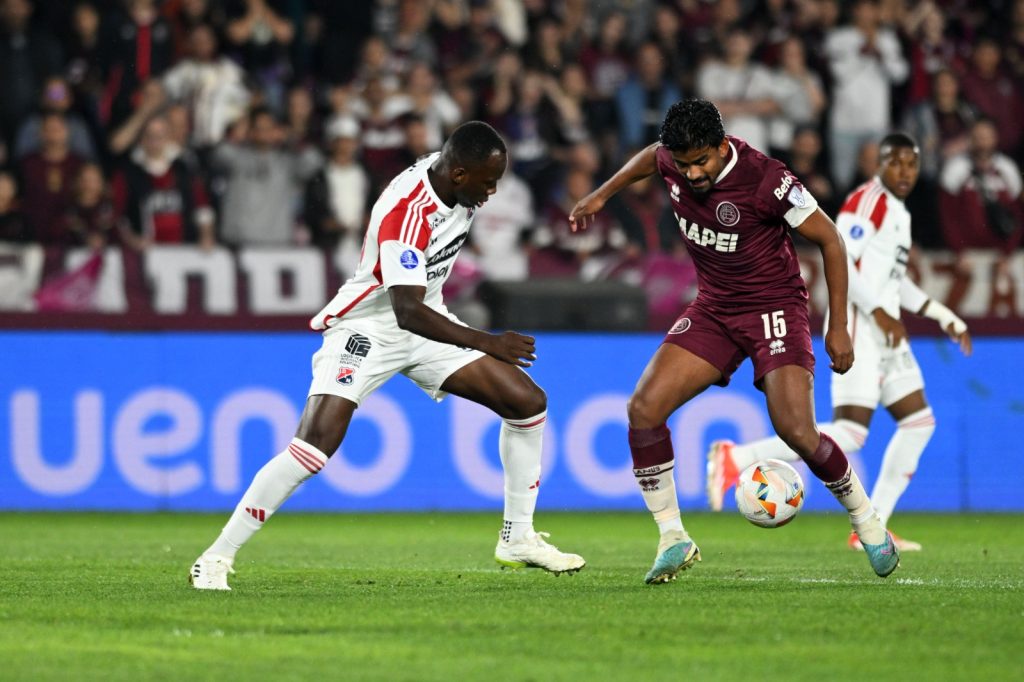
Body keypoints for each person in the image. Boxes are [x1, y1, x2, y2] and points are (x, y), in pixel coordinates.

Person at [190, 121, 585, 590]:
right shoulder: (407, 212)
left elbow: (420, 308)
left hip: (425, 317)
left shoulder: (456, 186)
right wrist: (488, 341)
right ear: (459, 174)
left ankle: (517, 537)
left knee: (527, 403)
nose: (493, 192)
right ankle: (216, 557)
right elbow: (405, 311)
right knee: (313, 448)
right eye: (488, 182)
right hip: (371, 326)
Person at [569, 99, 899, 584]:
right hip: (716, 309)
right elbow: (652, 156)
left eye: (701, 161)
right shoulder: (671, 159)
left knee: (797, 431)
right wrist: (602, 194)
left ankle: (867, 522)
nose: (692, 173)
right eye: (683, 165)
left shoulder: (767, 180)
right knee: (643, 409)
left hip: (775, 309)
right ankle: (673, 538)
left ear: (722, 147)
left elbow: (830, 239)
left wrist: (839, 324)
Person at [707, 133, 973, 552]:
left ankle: (874, 524)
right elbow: (842, 252)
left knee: (919, 422)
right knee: (849, 431)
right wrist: (877, 314)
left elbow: (892, 281)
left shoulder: (899, 213)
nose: (904, 172)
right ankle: (737, 458)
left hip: (886, 330)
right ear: (879, 164)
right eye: (895, 162)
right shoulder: (869, 201)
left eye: (912, 164)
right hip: (861, 325)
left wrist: (944, 316)